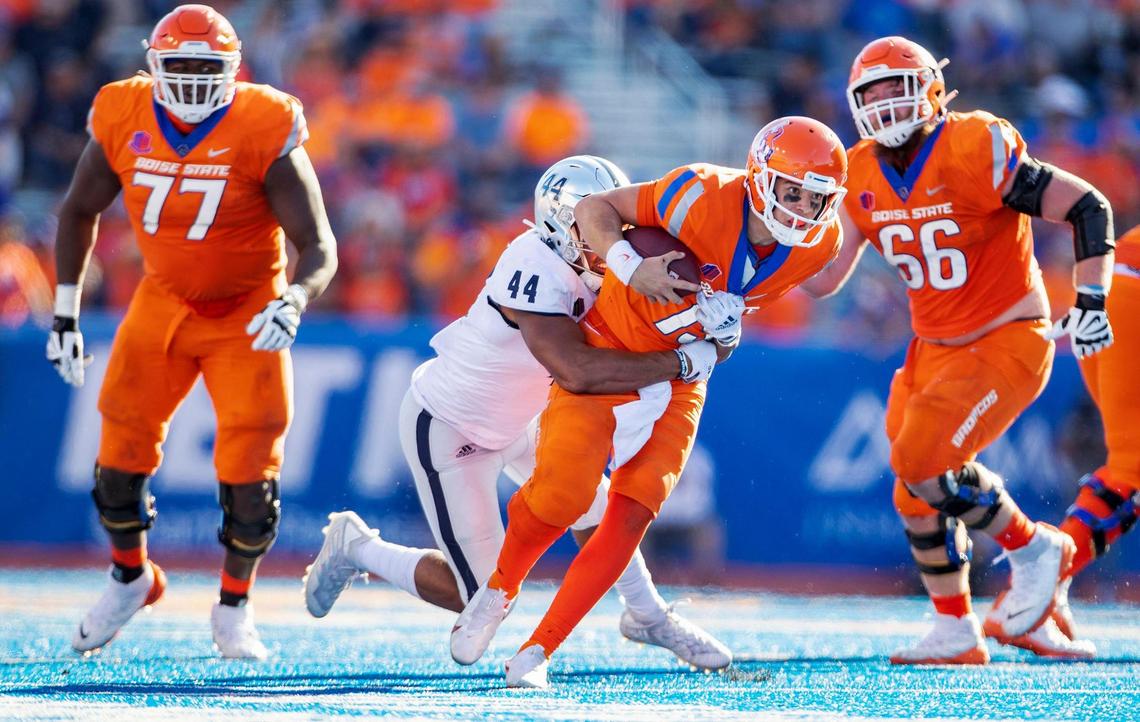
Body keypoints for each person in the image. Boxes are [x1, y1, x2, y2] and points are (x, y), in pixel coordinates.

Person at [450, 116, 849, 688]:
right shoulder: (700, 193)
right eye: (792, 191)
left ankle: (540, 650)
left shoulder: (821, 243)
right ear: (761, 175)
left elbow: (729, 316)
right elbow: (595, 211)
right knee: (562, 494)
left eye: (817, 198)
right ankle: (499, 591)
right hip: (613, 344)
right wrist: (629, 265)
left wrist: (723, 340)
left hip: (684, 374)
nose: (802, 208)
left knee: (634, 509)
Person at [303, 155, 731, 671]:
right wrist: (685, 361)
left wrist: (716, 320)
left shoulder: (612, 268)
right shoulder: (533, 264)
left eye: (617, 224)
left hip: (526, 419)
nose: (611, 236)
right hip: (452, 426)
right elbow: (576, 370)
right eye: (596, 222)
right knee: (476, 593)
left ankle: (648, 615)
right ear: (561, 223)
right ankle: (357, 546)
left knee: (599, 510)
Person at [801, 36, 1115, 664]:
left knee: (921, 460)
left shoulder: (974, 143)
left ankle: (1034, 550)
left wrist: (1091, 299)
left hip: (1007, 339)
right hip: (932, 349)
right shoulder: (859, 169)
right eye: (874, 92)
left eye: (899, 87)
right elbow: (823, 278)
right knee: (911, 491)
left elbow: (1088, 206)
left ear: (932, 90)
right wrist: (770, 238)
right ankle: (956, 628)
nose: (887, 103)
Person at [46, 4, 338, 660]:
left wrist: (293, 297)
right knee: (117, 459)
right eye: (180, 65)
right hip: (163, 302)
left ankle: (234, 604)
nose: (194, 80)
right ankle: (130, 577)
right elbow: (77, 211)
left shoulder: (263, 123)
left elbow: (318, 246)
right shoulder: (123, 114)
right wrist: (64, 310)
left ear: (234, 69)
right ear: (153, 64)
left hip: (246, 311)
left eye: (208, 67)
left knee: (249, 474)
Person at [1000, 223, 1136, 659]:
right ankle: (1030, 594)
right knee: (1132, 470)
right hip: (1126, 292)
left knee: (1129, 470)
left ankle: (1042, 586)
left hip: (1108, 287)